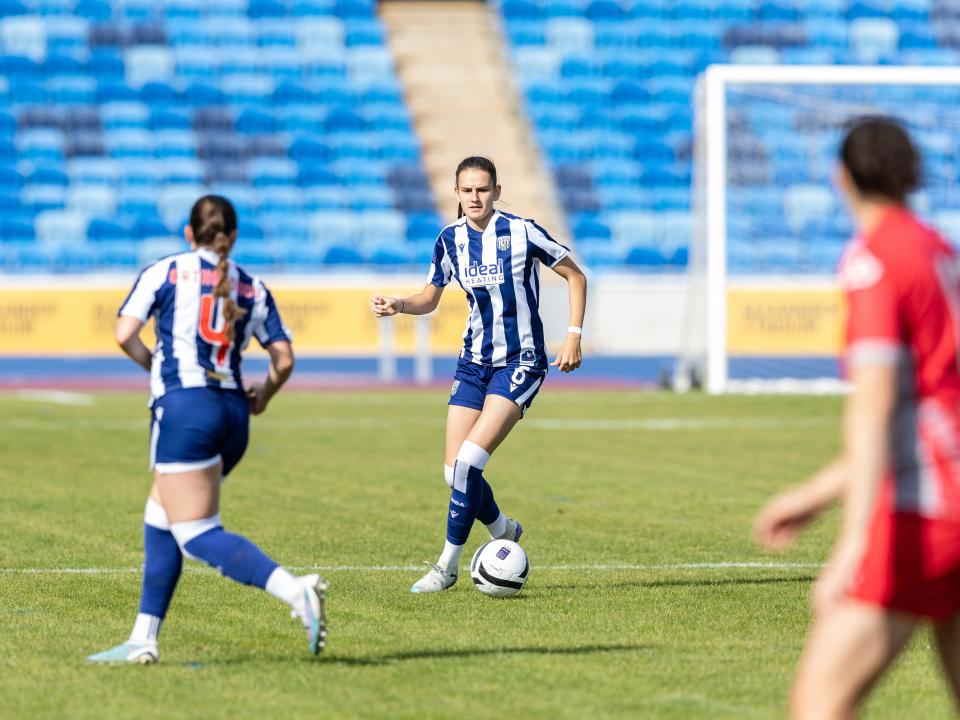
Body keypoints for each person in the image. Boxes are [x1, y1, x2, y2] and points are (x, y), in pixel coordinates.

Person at [755, 118, 960, 718]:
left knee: (819, 707)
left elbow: (876, 405)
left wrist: (851, 543)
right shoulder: (938, 249)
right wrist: (819, 492)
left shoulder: (873, 258)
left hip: (926, 515)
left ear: (840, 177)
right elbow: (934, 407)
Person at [87, 195, 327, 664]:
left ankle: (296, 592)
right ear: (232, 237)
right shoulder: (253, 286)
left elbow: (123, 333)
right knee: (161, 515)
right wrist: (264, 396)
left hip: (186, 410)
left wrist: (154, 365)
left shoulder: (166, 271)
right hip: (234, 414)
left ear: (188, 233)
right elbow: (284, 359)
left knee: (196, 533)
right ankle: (143, 639)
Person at [371, 156, 587, 593]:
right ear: (455, 193)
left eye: (482, 189)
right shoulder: (448, 240)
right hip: (472, 362)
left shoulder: (522, 231)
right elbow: (430, 297)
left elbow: (575, 276)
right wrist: (401, 304)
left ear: (496, 190)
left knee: (470, 463)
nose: (475, 197)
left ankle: (446, 566)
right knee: (454, 472)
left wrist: (573, 336)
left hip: (521, 360)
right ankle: (504, 528)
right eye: (467, 190)